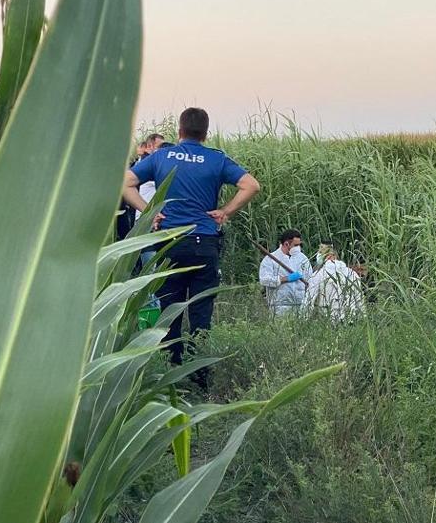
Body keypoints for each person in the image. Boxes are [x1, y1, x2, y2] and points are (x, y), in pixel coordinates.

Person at [123, 108, 261, 365]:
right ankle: (199, 378)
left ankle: (169, 376)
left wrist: (149, 211)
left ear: (180, 130)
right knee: (201, 315)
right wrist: (225, 211)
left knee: (168, 314)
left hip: (169, 243)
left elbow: (125, 181)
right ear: (206, 134)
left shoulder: (162, 156)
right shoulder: (216, 159)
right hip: (203, 242)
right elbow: (251, 185)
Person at [302, 241, 365, 322]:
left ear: (328, 255)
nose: (318, 254)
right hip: (350, 319)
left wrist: (303, 320)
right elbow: (359, 300)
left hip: (327, 321)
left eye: (320, 252)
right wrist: (362, 319)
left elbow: (308, 300)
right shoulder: (351, 273)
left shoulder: (318, 275)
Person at [259, 229, 313, 316]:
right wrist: (286, 279)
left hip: (300, 305)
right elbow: (264, 280)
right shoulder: (270, 259)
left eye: (299, 244)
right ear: (286, 244)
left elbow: (310, 278)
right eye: (296, 245)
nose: (298, 247)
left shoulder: (302, 258)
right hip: (279, 306)